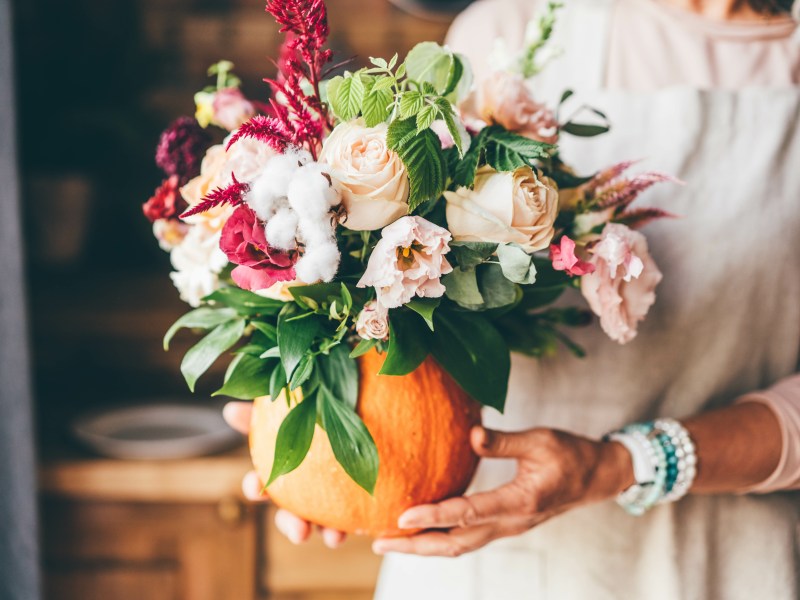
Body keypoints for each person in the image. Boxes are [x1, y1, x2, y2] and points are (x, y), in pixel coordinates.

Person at [224, 0, 800, 597]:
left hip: (726, 563)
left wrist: (625, 464)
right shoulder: (512, 28)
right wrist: (322, 431)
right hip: (480, 558)